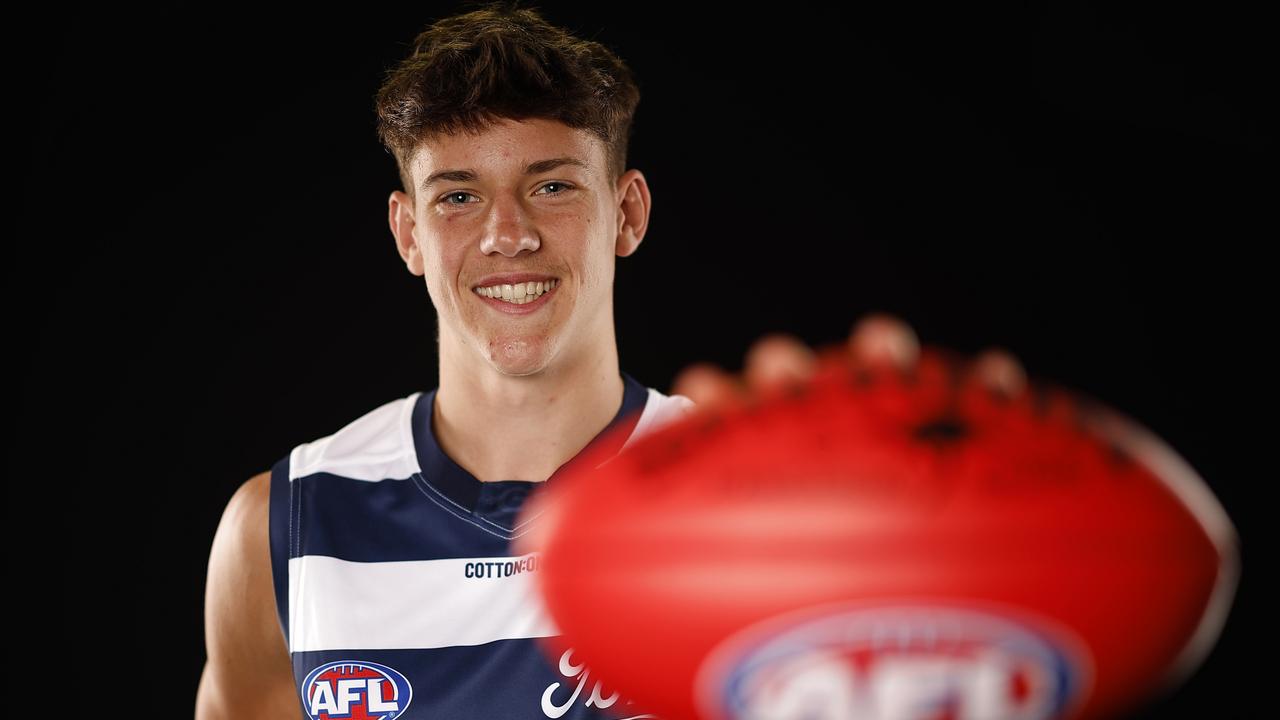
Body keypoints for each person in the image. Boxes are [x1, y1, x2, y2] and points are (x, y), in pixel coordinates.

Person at [194, 3, 1027, 718]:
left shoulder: (761, 501)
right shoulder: (285, 530)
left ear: (627, 214)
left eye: (552, 186)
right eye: (457, 196)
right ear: (408, 234)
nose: (507, 234)